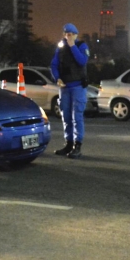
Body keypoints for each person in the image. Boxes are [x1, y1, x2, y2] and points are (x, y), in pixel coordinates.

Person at [50, 23, 90, 159]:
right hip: (65, 87)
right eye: (67, 34)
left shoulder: (81, 46)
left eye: (71, 34)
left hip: (78, 86)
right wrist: (57, 78)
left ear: (76, 35)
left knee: (77, 117)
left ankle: (77, 146)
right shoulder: (61, 48)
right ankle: (68, 143)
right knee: (66, 116)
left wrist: (72, 46)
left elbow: (82, 61)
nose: (69, 36)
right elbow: (54, 65)